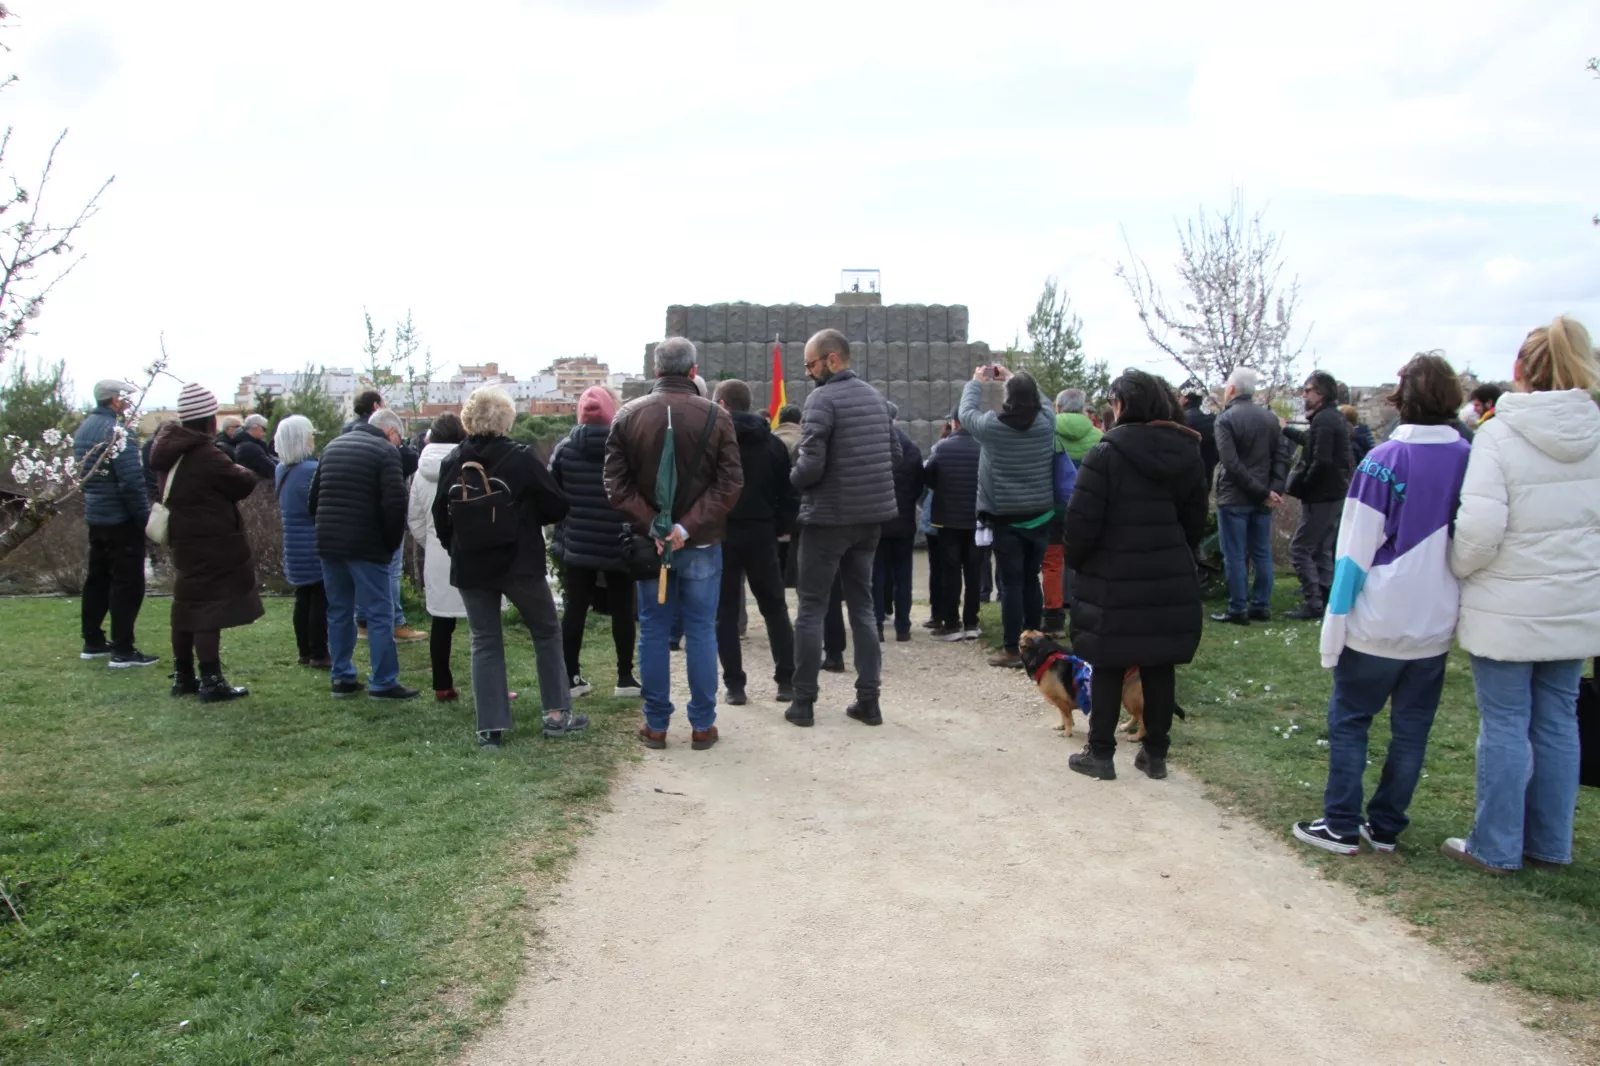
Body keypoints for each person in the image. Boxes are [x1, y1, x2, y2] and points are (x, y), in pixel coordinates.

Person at [1291, 354, 1471, 854]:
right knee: (1412, 729)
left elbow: (1351, 555)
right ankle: (1386, 825)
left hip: (1379, 617)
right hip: (1436, 617)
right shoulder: (1469, 456)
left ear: (1401, 398)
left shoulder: (1384, 462)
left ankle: (1342, 823)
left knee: (1350, 720)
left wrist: (1335, 624)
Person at [1443, 316, 1600, 874]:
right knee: (1558, 717)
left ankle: (1498, 844)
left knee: (1507, 721)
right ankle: (1550, 842)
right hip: (1576, 600)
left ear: (1518, 370)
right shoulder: (1596, 430)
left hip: (1508, 600)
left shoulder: (1500, 435)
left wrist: (1459, 568)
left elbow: (1479, 530)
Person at [1064, 369, 1208, 781]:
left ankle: (1101, 752)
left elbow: (1082, 521)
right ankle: (1155, 754)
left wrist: (1080, 561)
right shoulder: (1187, 453)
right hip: (1168, 573)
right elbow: (1195, 520)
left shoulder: (1106, 454)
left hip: (1115, 574)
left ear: (1122, 405)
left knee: (1108, 661)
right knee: (1159, 664)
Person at [605, 338, 742, 750]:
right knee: (701, 629)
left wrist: (656, 526)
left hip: (653, 545)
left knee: (654, 629)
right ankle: (702, 724)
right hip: (700, 542)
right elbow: (730, 483)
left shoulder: (628, 415)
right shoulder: (717, 416)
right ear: (693, 371)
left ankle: (657, 723)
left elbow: (615, 485)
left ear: (655, 368)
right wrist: (685, 528)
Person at [435, 387, 581, 748]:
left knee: (484, 641)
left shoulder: (452, 461)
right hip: (520, 560)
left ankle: (491, 727)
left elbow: (441, 517)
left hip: (471, 563)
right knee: (546, 632)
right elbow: (557, 504)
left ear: (468, 418)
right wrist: (527, 515)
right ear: (507, 419)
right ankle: (556, 714)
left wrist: (457, 546)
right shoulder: (520, 457)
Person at [784, 328, 899, 728]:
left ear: (832, 360)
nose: (808, 373)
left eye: (810, 364)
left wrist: (794, 476)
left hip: (828, 518)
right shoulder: (878, 399)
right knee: (863, 608)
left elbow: (811, 464)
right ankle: (869, 701)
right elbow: (896, 454)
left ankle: (803, 703)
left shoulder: (821, 399)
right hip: (870, 520)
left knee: (811, 608)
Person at [147, 383, 263, 701]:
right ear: (209, 420)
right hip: (211, 541)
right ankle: (211, 680)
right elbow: (242, 482)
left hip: (185, 539)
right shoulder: (205, 454)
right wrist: (240, 467)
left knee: (187, 604)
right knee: (208, 610)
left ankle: (184, 675)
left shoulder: (169, 450)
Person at [310, 404, 417, 701]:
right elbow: (395, 504)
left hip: (329, 542)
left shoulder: (332, 446)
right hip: (367, 545)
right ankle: (383, 681)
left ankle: (341, 676)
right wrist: (391, 543)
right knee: (380, 613)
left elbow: (314, 497)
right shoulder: (386, 453)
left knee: (339, 610)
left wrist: (323, 529)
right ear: (392, 432)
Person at [958, 365, 1056, 668]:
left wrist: (976, 382)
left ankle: (1013, 648)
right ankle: (1037, 644)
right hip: (1040, 514)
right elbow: (1049, 404)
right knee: (1031, 579)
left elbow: (965, 413)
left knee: (1011, 584)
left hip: (1006, 517)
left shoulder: (992, 427)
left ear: (1009, 398)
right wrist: (1015, 376)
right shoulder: (1046, 423)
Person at [549, 387, 642, 700]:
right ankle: (625, 677)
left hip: (577, 543)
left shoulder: (564, 448)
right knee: (622, 609)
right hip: (618, 540)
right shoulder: (625, 447)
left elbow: (552, 494)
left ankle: (571, 676)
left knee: (575, 609)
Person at [712, 379, 799, 704]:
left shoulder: (716, 443)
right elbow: (790, 494)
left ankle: (735, 686)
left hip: (723, 534)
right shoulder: (773, 444)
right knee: (774, 607)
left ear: (722, 405)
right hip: (763, 533)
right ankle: (786, 680)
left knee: (726, 611)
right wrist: (778, 527)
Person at [73, 379, 156, 667]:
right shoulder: (120, 433)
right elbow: (131, 484)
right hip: (121, 520)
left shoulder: (84, 429)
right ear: (115, 401)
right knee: (127, 583)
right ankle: (123, 649)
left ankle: (93, 640)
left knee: (97, 579)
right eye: (127, 399)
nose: (131, 404)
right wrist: (145, 520)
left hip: (96, 516)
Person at [1210, 367, 1289, 625]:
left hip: (1235, 497)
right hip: (1262, 497)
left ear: (1232, 389)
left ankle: (1238, 606)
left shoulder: (1226, 420)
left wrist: (1265, 491)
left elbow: (1231, 464)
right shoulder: (1270, 419)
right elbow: (1281, 456)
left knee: (1234, 554)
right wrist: (1272, 490)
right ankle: (1261, 604)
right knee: (1261, 552)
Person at [345, 389, 425, 643]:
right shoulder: (387, 450)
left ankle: (363, 621)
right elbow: (396, 489)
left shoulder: (346, 435)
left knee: (359, 572)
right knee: (390, 571)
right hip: (379, 516)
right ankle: (395, 621)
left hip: (354, 518)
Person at [408, 412, 472, 702]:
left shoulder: (421, 473)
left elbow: (416, 520)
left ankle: (442, 684)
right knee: (482, 624)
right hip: (474, 549)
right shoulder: (472, 464)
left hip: (437, 552)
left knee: (441, 623)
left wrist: (433, 542)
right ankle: (490, 685)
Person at [1282, 371, 1353, 620]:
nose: (1304, 394)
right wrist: (1286, 429)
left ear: (1320, 394)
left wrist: (1303, 485)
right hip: (1334, 493)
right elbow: (1312, 442)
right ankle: (1326, 598)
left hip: (1322, 495)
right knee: (1322, 548)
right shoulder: (1331, 418)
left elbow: (1321, 461)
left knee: (1301, 548)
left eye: (1307, 390)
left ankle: (1314, 602)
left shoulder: (1324, 420)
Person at [274, 414, 329, 668]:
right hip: (312, 543)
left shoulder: (281, 470)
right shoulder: (311, 471)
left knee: (303, 597)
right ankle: (320, 652)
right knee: (319, 598)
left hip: (293, 545)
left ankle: (305, 651)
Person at [922, 406, 981, 641]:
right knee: (974, 573)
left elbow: (928, 478)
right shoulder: (983, 448)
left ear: (955, 423)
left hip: (946, 520)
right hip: (976, 520)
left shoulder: (942, 448)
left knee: (950, 571)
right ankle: (972, 622)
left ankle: (951, 622)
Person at [1051, 389, 1102, 626]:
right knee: (1081, 556)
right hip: (1086, 506)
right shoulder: (1098, 436)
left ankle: (1053, 607)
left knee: (1052, 559)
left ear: (1058, 407)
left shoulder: (1048, 432)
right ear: (1083, 409)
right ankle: (1080, 602)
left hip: (1053, 505)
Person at [874, 400, 923, 643]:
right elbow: (917, 487)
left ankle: (876, 624)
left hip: (878, 521)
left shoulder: (872, 446)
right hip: (903, 521)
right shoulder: (911, 447)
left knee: (877, 574)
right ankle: (903, 626)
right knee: (903, 576)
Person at [1181, 385, 1219, 490]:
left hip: (1185, 475)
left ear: (1185, 399)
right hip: (1206, 473)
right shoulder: (1213, 418)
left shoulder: (1181, 420)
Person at [233, 414, 278, 478]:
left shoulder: (250, 444)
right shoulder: (248, 447)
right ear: (255, 427)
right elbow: (270, 468)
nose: (265, 433)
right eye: (264, 429)